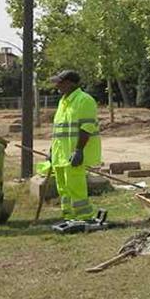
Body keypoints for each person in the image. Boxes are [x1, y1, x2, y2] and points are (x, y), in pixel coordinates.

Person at [49, 70, 102, 222]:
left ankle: (84, 216)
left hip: (74, 152)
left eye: (60, 82)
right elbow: (59, 130)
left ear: (71, 83)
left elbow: (87, 127)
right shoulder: (63, 101)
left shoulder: (84, 100)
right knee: (63, 186)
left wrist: (79, 150)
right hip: (60, 153)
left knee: (75, 185)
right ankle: (68, 215)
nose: (57, 85)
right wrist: (52, 150)